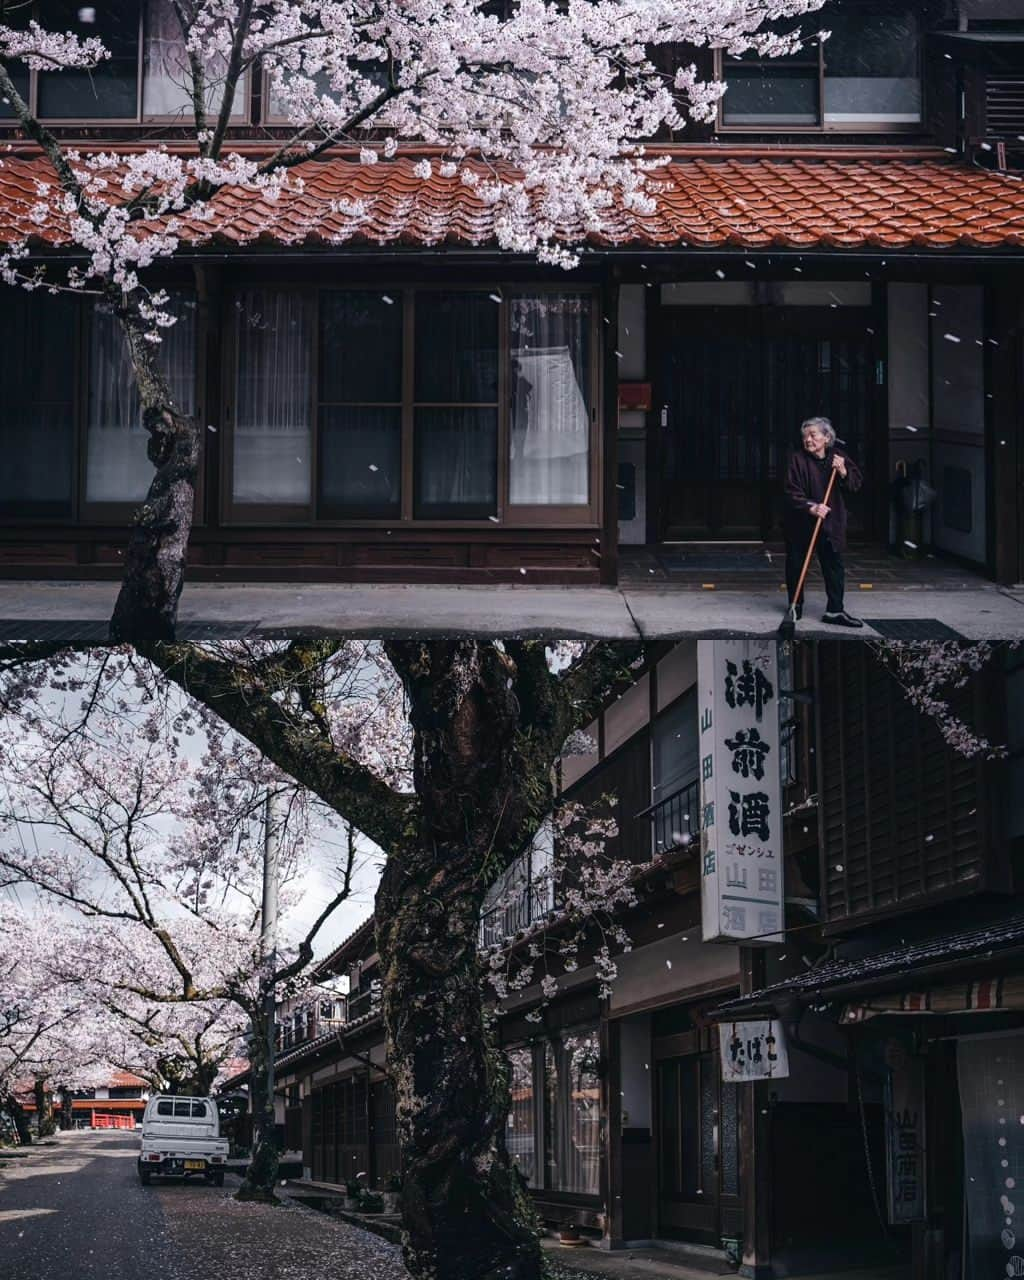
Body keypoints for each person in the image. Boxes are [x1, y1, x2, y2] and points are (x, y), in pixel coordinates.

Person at [783, 416, 864, 628]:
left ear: (827, 437)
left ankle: (835, 610)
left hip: (830, 522)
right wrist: (812, 506)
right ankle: (795, 606)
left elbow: (855, 485)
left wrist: (844, 471)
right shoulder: (797, 459)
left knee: (834, 566)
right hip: (802, 523)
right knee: (796, 564)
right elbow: (791, 492)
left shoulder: (838, 457)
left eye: (813, 435)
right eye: (805, 436)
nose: (808, 440)